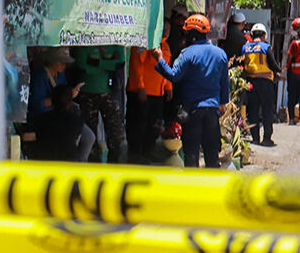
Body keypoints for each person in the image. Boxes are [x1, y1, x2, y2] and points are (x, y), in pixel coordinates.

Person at [152, 14, 230, 168]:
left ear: (192, 34)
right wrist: (222, 103)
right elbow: (224, 82)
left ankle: (192, 188)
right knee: (212, 153)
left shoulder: (187, 54)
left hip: (192, 110)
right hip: (212, 110)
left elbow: (173, 76)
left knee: (192, 153)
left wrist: (159, 59)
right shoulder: (220, 54)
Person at [126, 20, 173, 162]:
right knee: (138, 124)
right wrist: (140, 87)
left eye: (168, 29)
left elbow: (167, 67)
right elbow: (136, 64)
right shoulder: (144, 43)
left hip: (157, 94)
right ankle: (135, 153)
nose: (166, 31)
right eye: (163, 28)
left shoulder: (165, 46)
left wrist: (168, 87)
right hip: (142, 92)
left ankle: (148, 151)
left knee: (154, 125)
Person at [72, 45, 127, 163]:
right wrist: (107, 64)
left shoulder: (116, 43)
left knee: (116, 135)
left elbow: (119, 64)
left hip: (109, 93)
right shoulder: (83, 44)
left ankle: (115, 168)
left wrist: (95, 62)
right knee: (90, 137)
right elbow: (82, 66)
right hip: (87, 93)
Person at [242, 23, 282, 146]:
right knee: (267, 111)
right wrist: (278, 71)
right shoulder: (266, 47)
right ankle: (267, 138)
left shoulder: (245, 48)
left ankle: (255, 137)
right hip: (265, 83)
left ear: (252, 35)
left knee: (253, 110)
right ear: (264, 35)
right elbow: (273, 64)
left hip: (250, 83)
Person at [34, 84, 94, 162]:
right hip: (69, 163)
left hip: (45, 162)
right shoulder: (76, 120)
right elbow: (90, 138)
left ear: (52, 100)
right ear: (70, 101)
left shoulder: (41, 119)